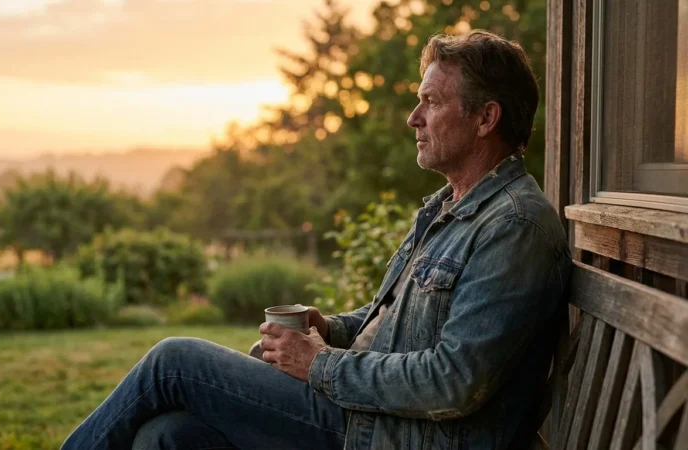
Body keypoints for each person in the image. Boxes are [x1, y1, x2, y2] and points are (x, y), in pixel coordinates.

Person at [61, 30, 571, 450]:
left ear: (486, 118)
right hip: (369, 419)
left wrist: (318, 363)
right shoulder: (448, 210)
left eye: (431, 102)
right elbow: (392, 327)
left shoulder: (514, 227)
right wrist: (329, 328)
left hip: (395, 436)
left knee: (173, 361)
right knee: (167, 437)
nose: (413, 118)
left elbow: (454, 381)